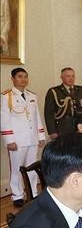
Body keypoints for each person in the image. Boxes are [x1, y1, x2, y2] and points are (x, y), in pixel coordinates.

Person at [0, 67, 46, 207]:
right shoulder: (6, 96)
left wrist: (41, 135)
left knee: (32, 167)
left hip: (32, 138)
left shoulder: (32, 96)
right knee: (16, 168)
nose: (23, 79)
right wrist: (9, 140)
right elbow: (4, 119)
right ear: (13, 79)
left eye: (25, 76)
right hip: (17, 140)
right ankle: (17, 195)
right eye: (19, 76)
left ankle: (32, 192)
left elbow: (36, 116)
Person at [43, 67, 82, 139]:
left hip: (79, 127)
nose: (71, 78)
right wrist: (52, 132)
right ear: (61, 77)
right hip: (62, 128)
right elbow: (48, 113)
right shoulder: (54, 92)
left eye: (73, 76)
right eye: (68, 76)